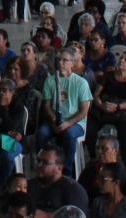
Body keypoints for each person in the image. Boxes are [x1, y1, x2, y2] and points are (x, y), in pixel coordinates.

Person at [37, 46, 91, 174]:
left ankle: (66, 170)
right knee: (42, 133)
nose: (60, 63)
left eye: (64, 60)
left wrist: (68, 123)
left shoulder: (81, 83)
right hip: (55, 120)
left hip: (75, 122)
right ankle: (42, 165)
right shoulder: (50, 80)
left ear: (72, 64)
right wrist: (53, 119)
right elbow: (47, 105)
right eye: (59, 60)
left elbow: (84, 111)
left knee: (69, 135)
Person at [27, 145, 88, 218]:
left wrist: (46, 216)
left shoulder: (73, 190)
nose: (39, 165)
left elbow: (76, 216)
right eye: (38, 160)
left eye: (45, 163)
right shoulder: (28, 185)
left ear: (59, 168)